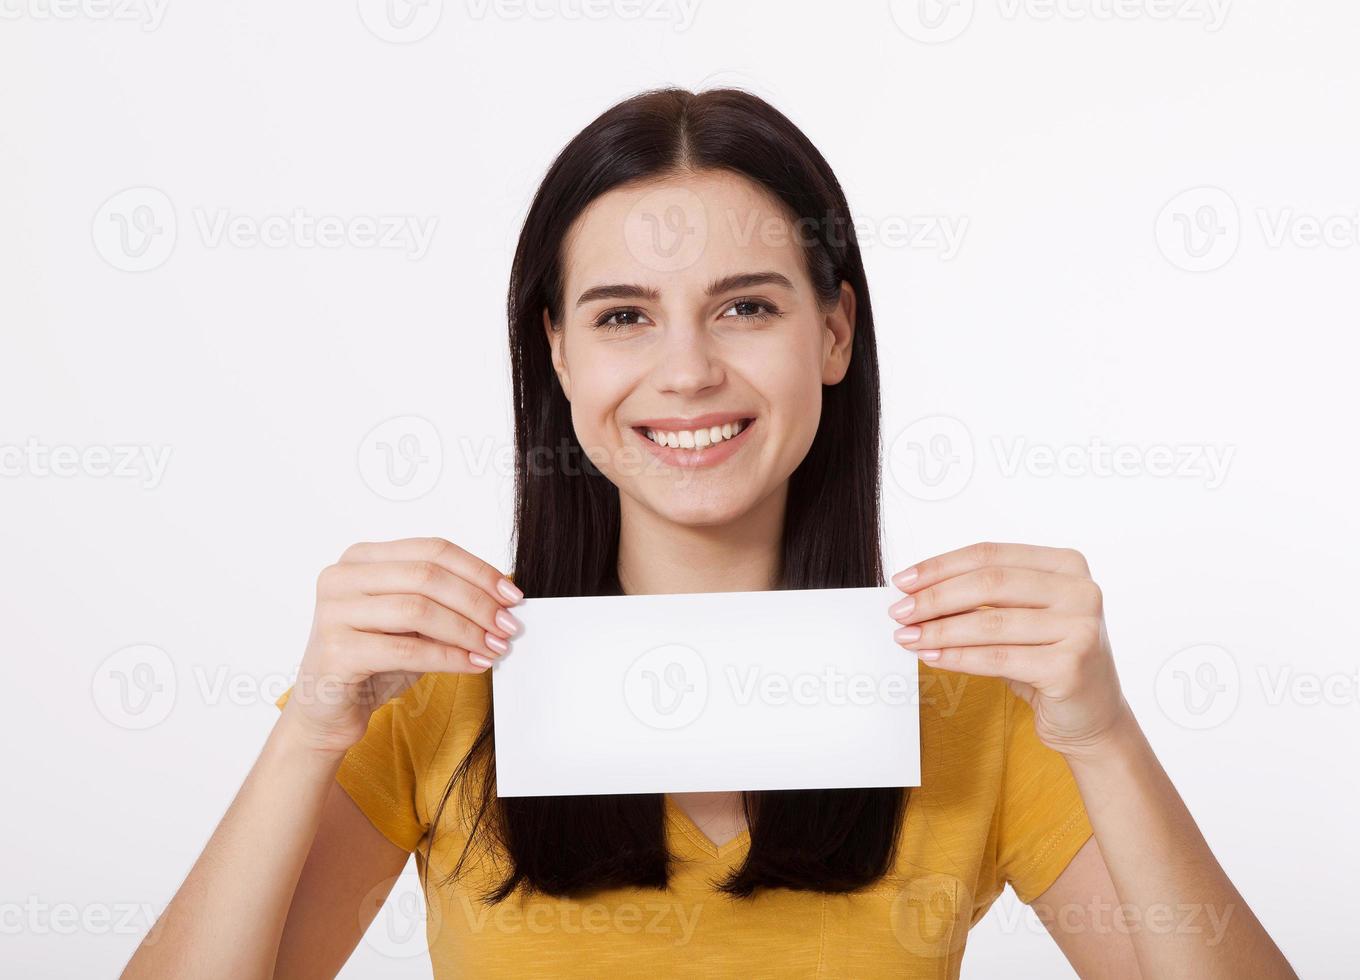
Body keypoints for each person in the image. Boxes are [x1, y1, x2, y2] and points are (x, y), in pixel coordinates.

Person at [123, 87, 1295, 979]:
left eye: (746, 305)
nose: (687, 370)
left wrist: (1101, 734)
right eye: (623, 315)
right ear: (559, 352)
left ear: (832, 334)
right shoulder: (430, 687)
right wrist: (311, 727)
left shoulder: (981, 700)